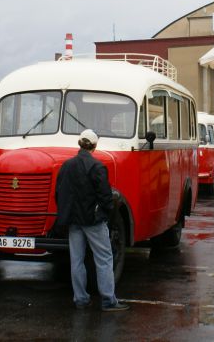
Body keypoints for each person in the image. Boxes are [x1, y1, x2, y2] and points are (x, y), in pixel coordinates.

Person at [55, 129, 129, 312]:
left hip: (74, 221)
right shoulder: (97, 167)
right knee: (104, 258)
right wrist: (105, 214)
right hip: (93, 221)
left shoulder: (66, 166)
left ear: (79, 143)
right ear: (94, 146)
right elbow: (106, 197)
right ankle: (108, 300)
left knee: (77, 260)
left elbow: (59, 193)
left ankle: (80, 299)